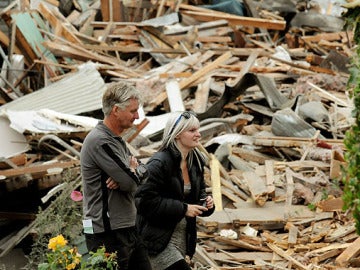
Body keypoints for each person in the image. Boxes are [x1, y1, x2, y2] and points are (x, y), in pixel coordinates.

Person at [80, 81, 152, 270]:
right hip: (108, 231)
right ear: (115, 110)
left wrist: (133, 171)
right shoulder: (100, 141)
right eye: (133, 111)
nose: (137, 116)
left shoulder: (116, 140)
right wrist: (130, 173)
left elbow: (143, 172)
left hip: (126, 226)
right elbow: (129, 182)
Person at [135, 111, 215, 270]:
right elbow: (143, 201)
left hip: (182, 239)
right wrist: (183, 209)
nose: (198, 135)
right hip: (158, 242)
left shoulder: (195, 161)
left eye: (198, 130)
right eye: (192, 131)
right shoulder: (159, 163)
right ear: (177, 134)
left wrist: (207, 204)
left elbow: (198, 197)